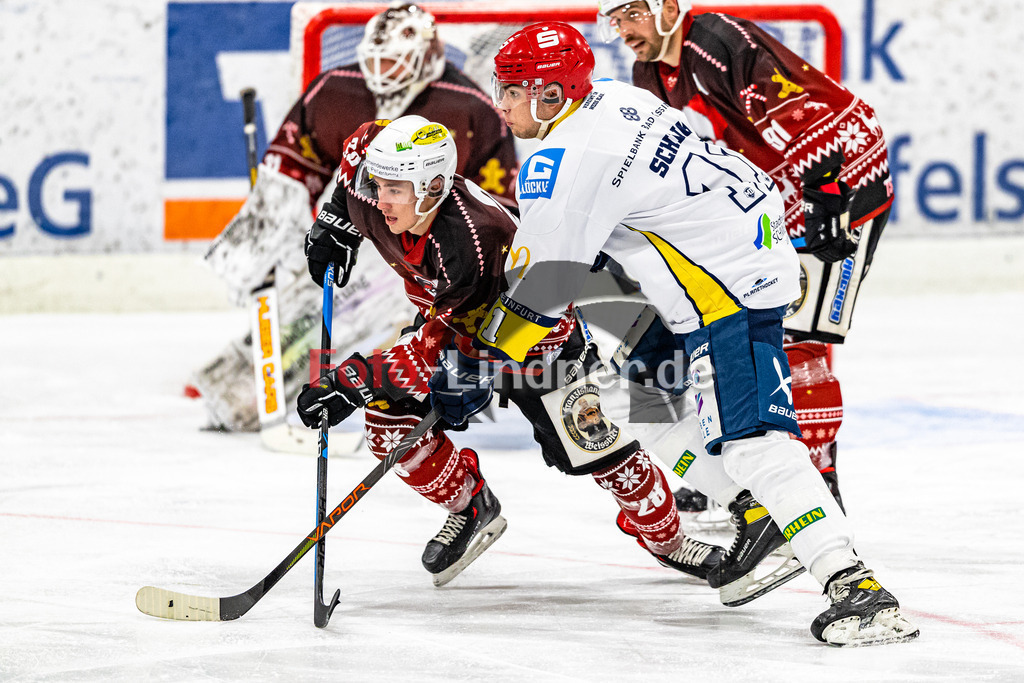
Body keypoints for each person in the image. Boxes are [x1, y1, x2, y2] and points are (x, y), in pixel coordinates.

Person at [435, 21, 917, 646]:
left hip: (727, 286)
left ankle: (857, 587)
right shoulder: (614, 97)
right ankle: (759, 512)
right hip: (723, 252)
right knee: (638, 398)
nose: (499, 103)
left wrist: (479, 360)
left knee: (751, 440)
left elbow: (539, 290)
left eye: (511, 89)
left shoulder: (562, 160)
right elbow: (588, 247)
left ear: (552, 94)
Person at [294, 115, 727, 587]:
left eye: (394, 190)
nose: (379, 201)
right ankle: (470, 506)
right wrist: (334, 220)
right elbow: (357, 153)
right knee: (389, 427)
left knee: (601, 448)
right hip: (451, 327)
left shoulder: (474, 241)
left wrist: (353, 379)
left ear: (433, 186)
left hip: (533, 344)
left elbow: (447, 346)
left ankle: (669, 541)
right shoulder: (370, 186)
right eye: (376, 185)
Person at [596, 0, 894, 516]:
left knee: (798, 343)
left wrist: (825, 191)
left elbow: (802, 113)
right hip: (769, 200)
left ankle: (818, 483)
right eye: (615, 20)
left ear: (669, 7)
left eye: (632, 14)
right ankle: (742, 473)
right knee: (731, 334)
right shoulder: (649, 72)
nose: (623, 29)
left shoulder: (718, 41)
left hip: (839, 181)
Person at [194, 2, 518, 433]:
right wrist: (262, 246)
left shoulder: (470, 107)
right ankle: (239, 390)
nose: (382, 73)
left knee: (357, 314)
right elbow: (292, 168)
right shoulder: (336, 89)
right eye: (375, 61)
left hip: (432, 246)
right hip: (365, 219)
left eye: (394, 62)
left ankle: (354, 384)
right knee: (307, 303)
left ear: (426, 57)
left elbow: (496, 207)